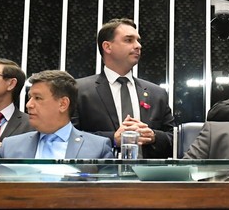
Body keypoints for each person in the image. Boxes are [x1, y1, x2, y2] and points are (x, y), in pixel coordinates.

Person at [73, 18, 174, 158]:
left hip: (148, 177)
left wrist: (153, 136)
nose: (138, 46)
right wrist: (113, 139)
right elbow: (69, 138)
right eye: (129, 40)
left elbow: (174, 140)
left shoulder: (157, 94)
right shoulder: (78, 90)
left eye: (138, 40)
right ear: (107, 47)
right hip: (99, 176)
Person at [0, 70, 113, 159]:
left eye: (37, 98)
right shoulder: (9, 147)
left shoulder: (98, 148)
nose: (29, 105)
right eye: (30, 98)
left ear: (63, 104)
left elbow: (107, 190)